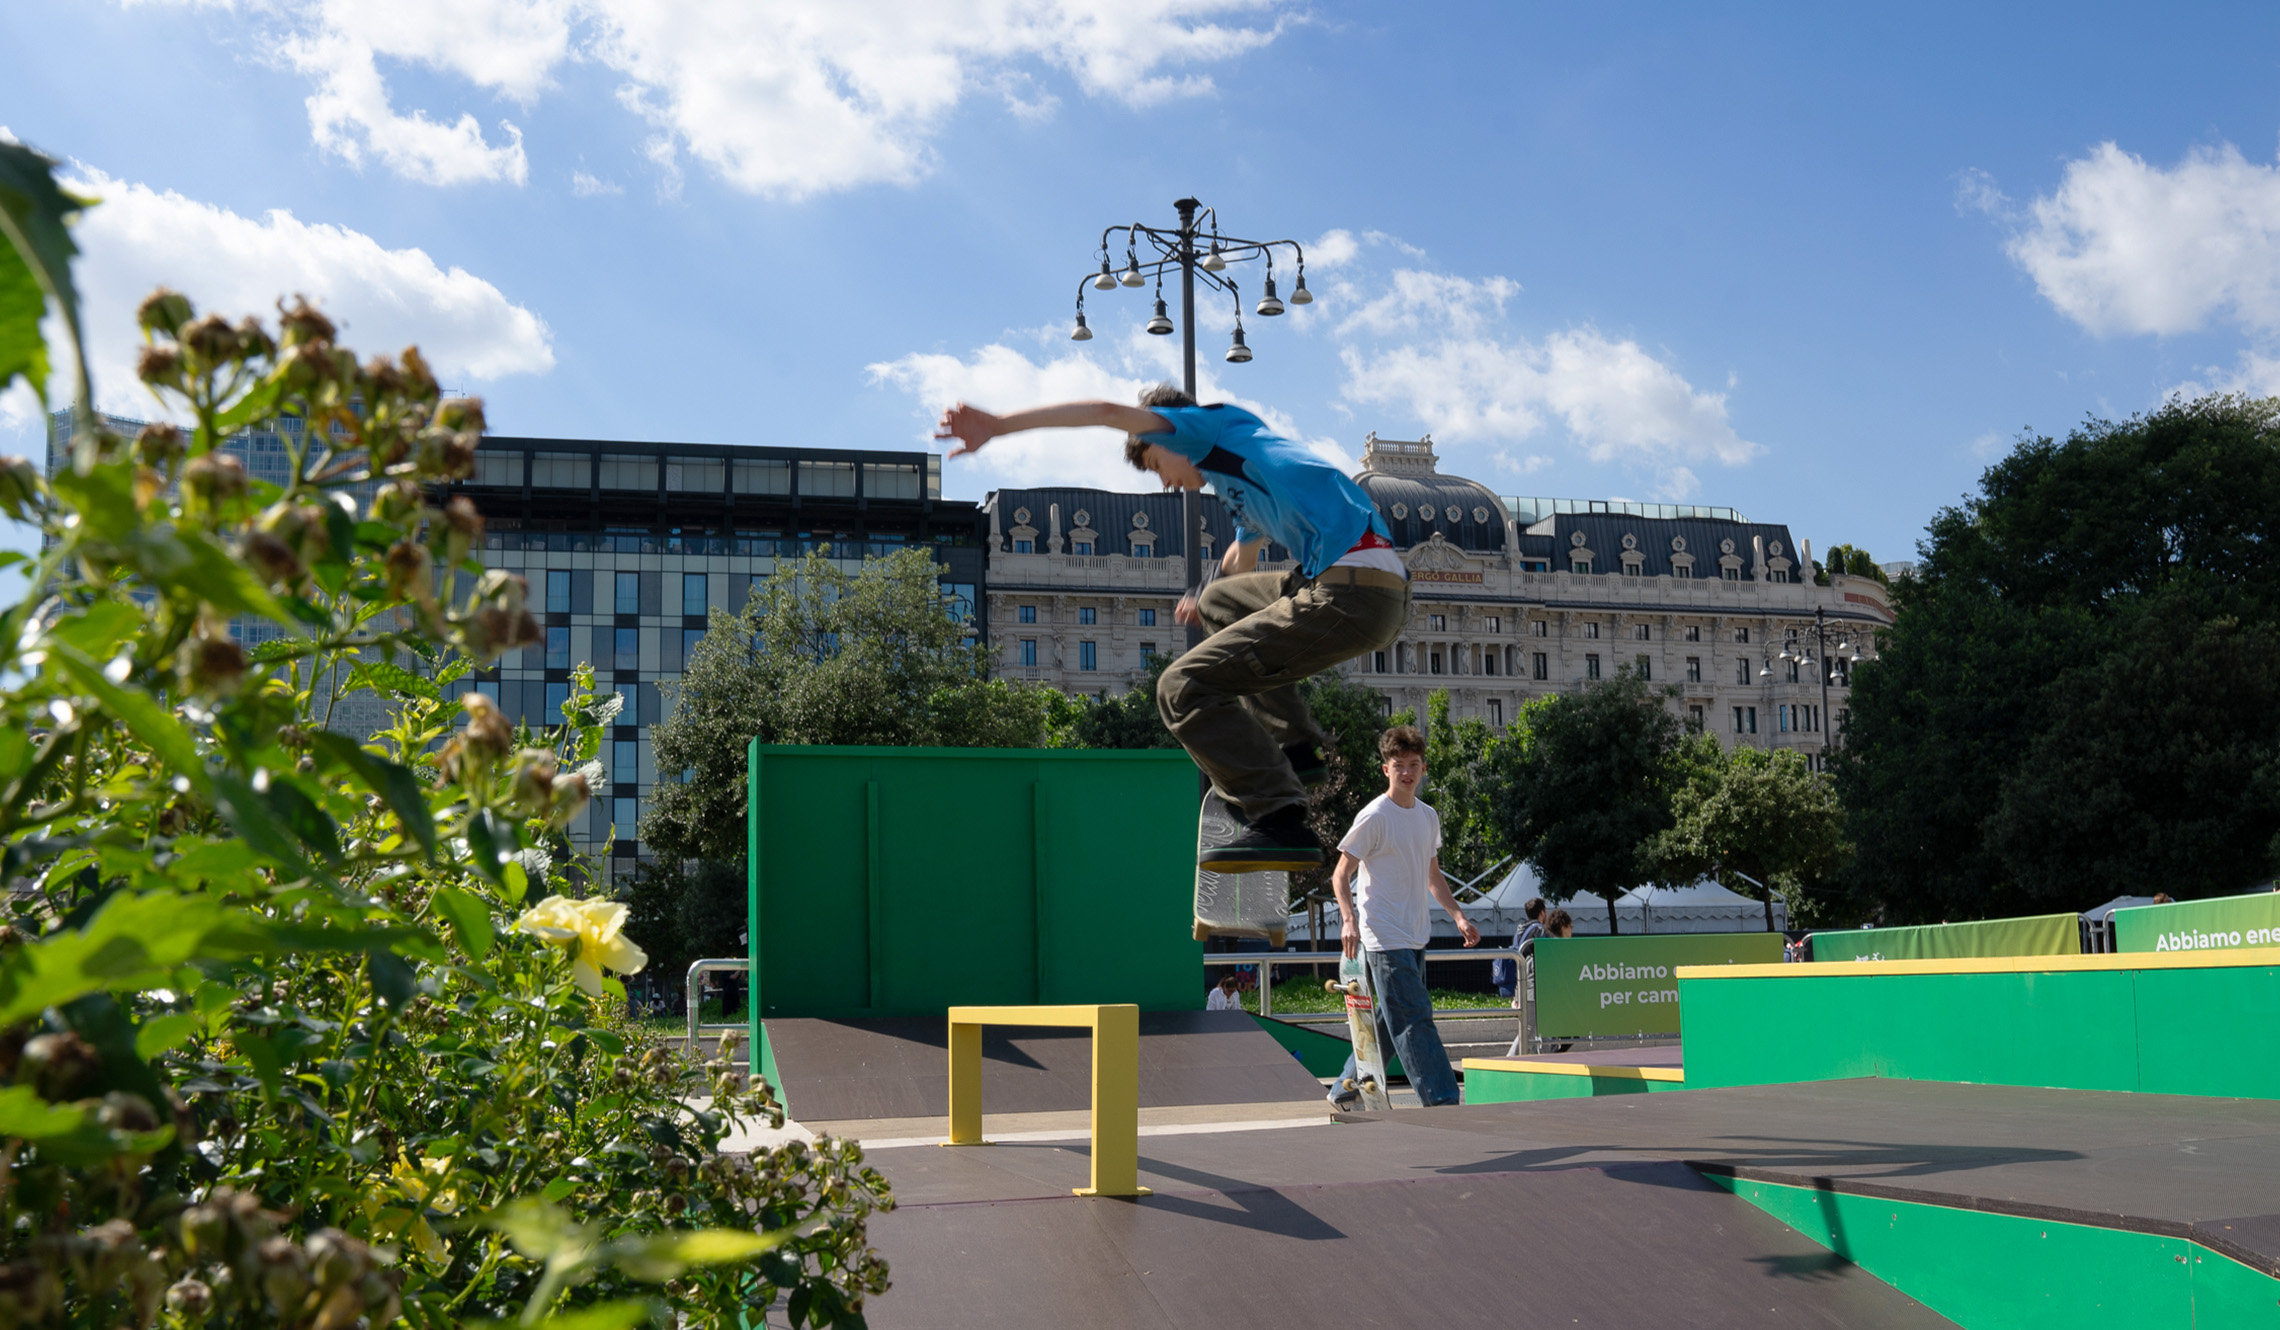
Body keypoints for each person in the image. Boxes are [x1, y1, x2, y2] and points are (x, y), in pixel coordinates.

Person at [935, 387, 1409, 872]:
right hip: (1369, 584)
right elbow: (1238, 562)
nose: (1163, 482)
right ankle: (1295, 747)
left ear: (1169, 433)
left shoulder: (1205, 428)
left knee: (1179, 688)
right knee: (1219, 600)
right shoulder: (1241, 473)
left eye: (1154, 463)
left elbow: (1104, 412)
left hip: (1351, 589)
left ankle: (1279, 814)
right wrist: (1201, 595)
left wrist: (998, 426)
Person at [1328, 725, 1480, 1109]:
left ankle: (1345, 1088)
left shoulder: (1428, 817)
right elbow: (1340, 874)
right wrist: (1349, 920)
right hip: (1383, 934)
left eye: (1414, 765)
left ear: (1424, 768)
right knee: (1414, 1018)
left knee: (1387, 1022)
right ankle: (1443, 1099)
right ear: (1386, 770)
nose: (1407, 773)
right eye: (1399, 766)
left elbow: (1433, 875)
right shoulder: (1375, 816)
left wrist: (1458, 916)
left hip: (1415, 934)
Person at [1491, 897, 1546, 998]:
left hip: (1519, 977)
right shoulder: (1539, 930)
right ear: (1542, 913)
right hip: (1533, 980)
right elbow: (1545, 955)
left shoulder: (1520, 929)